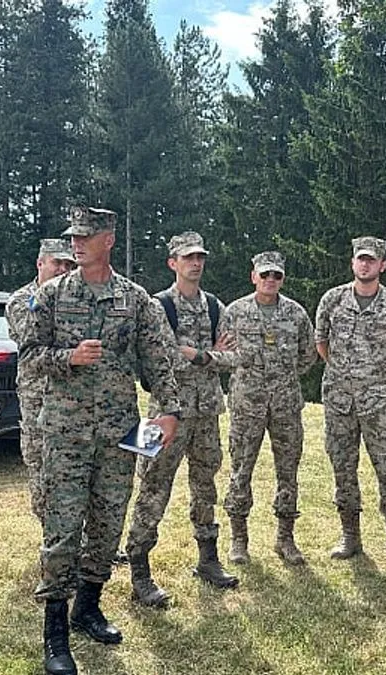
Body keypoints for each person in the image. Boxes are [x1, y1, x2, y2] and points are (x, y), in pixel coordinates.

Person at [17, 205, 180, 675]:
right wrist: (68, 357)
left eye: (86, 236)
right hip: (64, 432)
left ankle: (88, 605)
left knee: (108, 526)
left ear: (108, 239)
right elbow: (29, 357)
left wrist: (168, 411)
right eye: (73, 236)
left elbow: (158, 360)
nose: (77, 243)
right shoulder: (50, 297)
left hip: (119, 432)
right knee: (62, 530)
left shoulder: (135, 300)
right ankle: (55, 632)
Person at [125, 231, 238, 606]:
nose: (196, 263)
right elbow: (157, 358)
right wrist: (204, 355)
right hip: (165, 413)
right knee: (153, 487)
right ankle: (139, 571)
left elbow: (234, 357)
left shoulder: (216, 307)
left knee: (206, 485)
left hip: (207, 412)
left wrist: (198, 355)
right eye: (188, 257)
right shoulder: (159, 307)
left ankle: (208, 559)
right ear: (173, 262)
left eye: (200, 256)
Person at [210, 251, 318, 566]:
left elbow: (307, 354)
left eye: (277, 276)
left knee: (288, 471)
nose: (271, 280)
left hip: (285, 404)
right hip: (247, 403)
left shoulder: (296, 314)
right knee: (241, 470)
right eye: (265, 274)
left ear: (282, 279)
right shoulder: (235, 312)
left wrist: (281, 377)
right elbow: (223, 353)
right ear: (253, 276)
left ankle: (285, 538)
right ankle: (239, 539)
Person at [314, 236, 386, 567]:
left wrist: (375, 374)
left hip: (379, 401)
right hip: (339, 398)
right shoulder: (332, 300)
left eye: (372, 260)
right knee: (342, 466)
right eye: (361, 259)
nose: (365, 264)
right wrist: (346, 374)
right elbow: (321, 343)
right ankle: (350, 535)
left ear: (382, 265)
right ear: (353, 263)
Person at [6, 238, 77, 523]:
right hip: (38, 396)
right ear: (40, 264)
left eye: (68, 264)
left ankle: (82, 538)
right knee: (41, 465)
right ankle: (51, 538)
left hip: (72, 395)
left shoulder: (77, 298)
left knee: (74, 467)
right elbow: (32, 339)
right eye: (56, 262)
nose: (62, 269)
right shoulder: (21, 301)